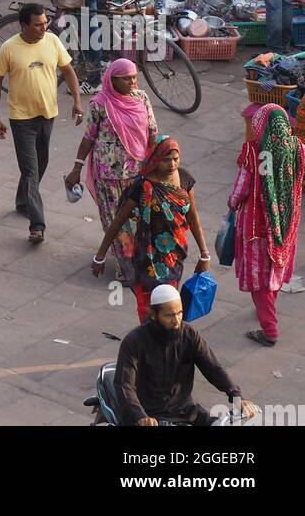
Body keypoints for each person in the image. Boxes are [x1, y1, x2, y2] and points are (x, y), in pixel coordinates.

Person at [0, 3, 83, 244]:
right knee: (30, 171)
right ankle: (37, 225)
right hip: (21, 119)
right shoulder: (9, 48)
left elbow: (69, 70)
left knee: (40, 165)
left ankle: (23, 202)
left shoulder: (52, 41)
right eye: (38, 24)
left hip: (47, 114)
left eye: (45, 23)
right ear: (24, 25)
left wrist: (77, 102)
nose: (44, 27)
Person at [93, 136, 212, 320]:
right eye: (166, 159)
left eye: (175, 158)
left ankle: (163, 337)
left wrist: (204, 254)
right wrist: (100, 256)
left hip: (174, 256)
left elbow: (193, 217)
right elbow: (118, 221)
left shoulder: (185, 179)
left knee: (168, 304)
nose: (172, 164)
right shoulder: (142, 186)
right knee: (148, 307)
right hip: (147, 257)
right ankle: (149, 337)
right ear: (156, 159)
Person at [64, 60, 157, 283]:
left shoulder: (141, 98)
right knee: (115, 220)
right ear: (111, 80)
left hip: (137, 171)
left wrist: (154, 162)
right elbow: (88, 137)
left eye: (134, 77)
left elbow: (152, 130)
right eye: (126, 78)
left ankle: (138, 261)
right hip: (108, 175)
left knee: (137, 220)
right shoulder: (100, 104)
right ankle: (124, 269)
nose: (132, 82)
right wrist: (77, 167)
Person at [114, 283, 256, 427]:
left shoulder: (189, 334)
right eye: (169, 315)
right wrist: (140, 416)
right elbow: (124, 385)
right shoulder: (134, 341)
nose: (176, 320)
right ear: (153, 315)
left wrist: (237, 396)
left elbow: (213, 368)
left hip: (185, 411)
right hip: (149, 416)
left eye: (179, 313)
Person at [229, 103, 305, 347]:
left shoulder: (255, 152)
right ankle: (267, 308)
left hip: (257, 225)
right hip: (285, 223)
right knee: (274, 268)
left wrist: (231, 204)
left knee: (259, 278)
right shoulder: (297, 148)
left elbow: (241, 189)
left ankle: (269, 329)